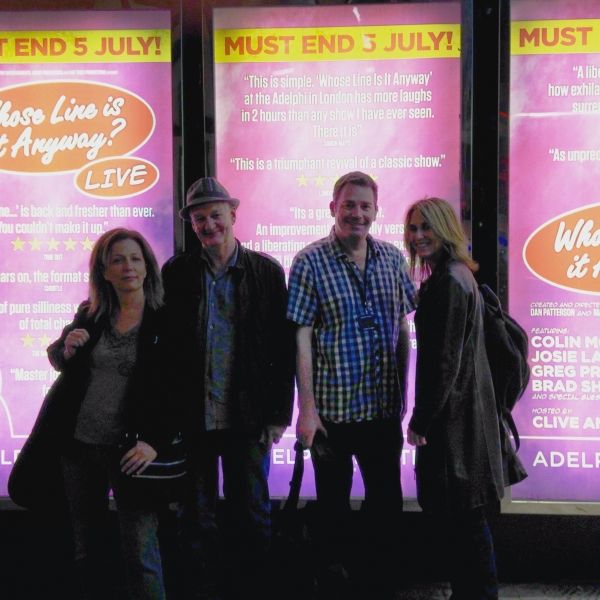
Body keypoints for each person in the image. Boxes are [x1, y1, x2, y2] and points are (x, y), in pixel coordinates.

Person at [161, 176, 295, 599]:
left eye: (215, 215)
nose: (208, 225)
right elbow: (166, 346)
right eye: (199, 218)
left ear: (233, 215)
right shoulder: (177, 272)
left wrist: (278, 415)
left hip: (248, 417)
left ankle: (251, 590)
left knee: (251, 514)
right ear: (191, 223)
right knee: (195, 518)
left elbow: (282, 349)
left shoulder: (266, 272)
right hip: (193, 417)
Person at [287, 171, 417, 598]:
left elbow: (402, 328)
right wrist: (306, 410)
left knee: (386, 503)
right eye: (349, 205)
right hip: (333, 412)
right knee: (333, 507)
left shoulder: (392, 259)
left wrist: (402, 394)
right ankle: (335, 585)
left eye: (365, 206)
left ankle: (378, 583)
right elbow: (301, 337)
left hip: (382, 409)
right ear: (333, 208)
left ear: (376, 212)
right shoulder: (309, 261)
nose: (357, 213)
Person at [45, 228, 173, 600]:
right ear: (104, 271)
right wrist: (66, 348)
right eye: (117, 260)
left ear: (147, 267)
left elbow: (180, 388)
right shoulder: (91, 313)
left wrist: (154, 442)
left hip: (131, 453)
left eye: (134, 259)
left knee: (141, 553)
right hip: (80, 448)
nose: (127, 266)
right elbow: (58, 355)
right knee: (88, 549)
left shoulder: (166, 318)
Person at [404, 198, 504, 600]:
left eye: (426, 227)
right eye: (413, 228)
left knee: (464, 523)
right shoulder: (458, 275)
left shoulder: (448, 281)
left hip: (454, 425)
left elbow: (443, 363)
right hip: (466, 418)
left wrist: (420, 421)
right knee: (468, 520)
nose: (418, 236)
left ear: (445, 229)